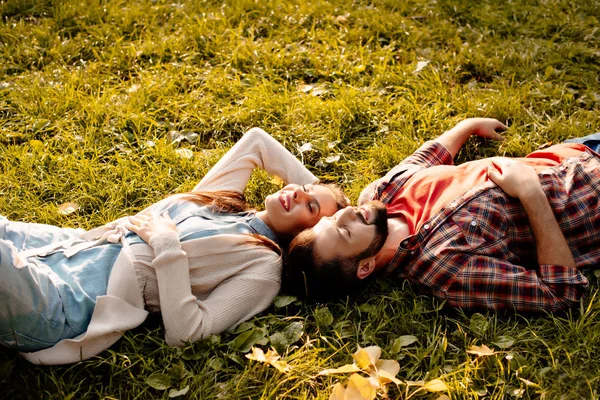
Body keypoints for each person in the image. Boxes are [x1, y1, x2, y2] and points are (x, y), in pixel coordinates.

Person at [0, 128, 349, 365]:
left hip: (65, 305)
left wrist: (167, 244)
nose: (297, 191)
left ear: (307, 235)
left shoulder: (264, 268)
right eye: (303, 187)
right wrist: (325, 197)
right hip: (61, 247)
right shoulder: (222, 199)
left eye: (310, 206)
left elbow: (188, 332)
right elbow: (257, 141)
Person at [287, 118, 599, 313]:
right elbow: (560, 292)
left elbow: (425, 159)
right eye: (343, 232)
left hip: (578, 150)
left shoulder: (378, 195)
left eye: (329, 220)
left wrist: (467, 126)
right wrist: (532, 194)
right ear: (365, 266)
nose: (343, 216)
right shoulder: (443, 267)